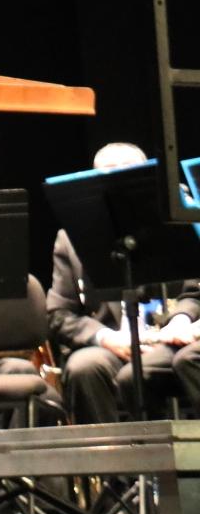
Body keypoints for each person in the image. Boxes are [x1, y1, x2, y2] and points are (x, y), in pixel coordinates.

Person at [48, 142, 200, 422]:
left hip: (174, 340)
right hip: (113, 343)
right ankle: (105, 452)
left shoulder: (181, 222)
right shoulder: (71, 239)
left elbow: (195, 291)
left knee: (144, 374)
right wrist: (107, 338)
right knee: (83, 368)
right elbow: (59, 314)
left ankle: (158, 448)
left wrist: (181, 320)